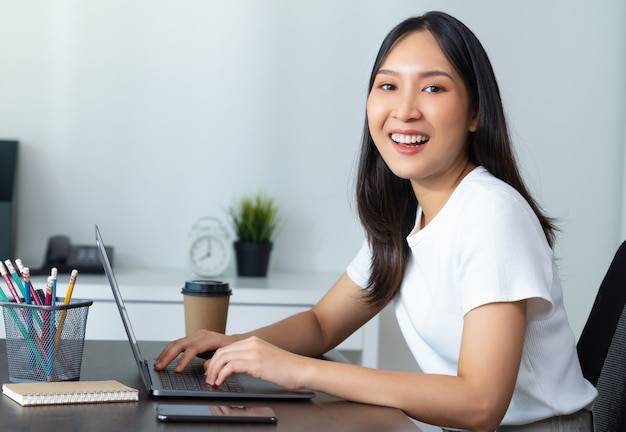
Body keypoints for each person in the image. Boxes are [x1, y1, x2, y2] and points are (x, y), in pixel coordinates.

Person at [155, 11, 597, 432]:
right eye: (388, 86)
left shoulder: (491, 214)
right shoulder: (407, 215)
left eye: (434, 89)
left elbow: (480, 403)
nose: (404, 110)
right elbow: (323, 324)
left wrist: (299, 370)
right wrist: (234, 346)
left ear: (476, 114)